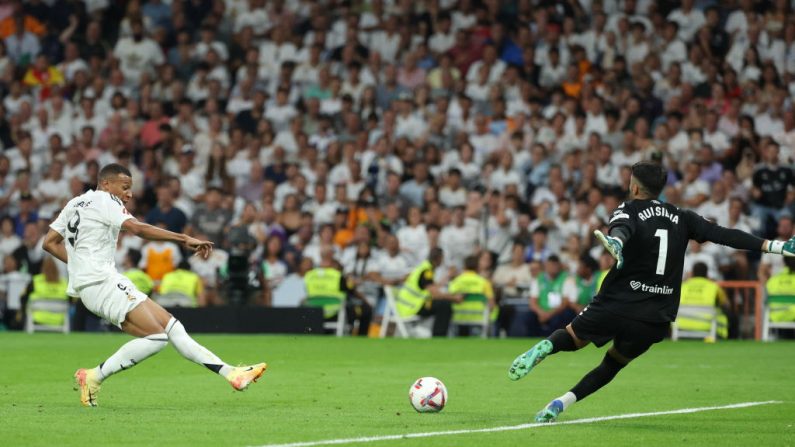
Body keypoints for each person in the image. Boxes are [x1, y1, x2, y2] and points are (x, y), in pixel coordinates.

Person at [507, 161, 795, 422]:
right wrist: (777, 246)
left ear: (634, 186)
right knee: (613, 364)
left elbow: (621, 229)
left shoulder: (628, 208)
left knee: (574, 337)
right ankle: (560, 403)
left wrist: (617, 243)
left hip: (617, 302)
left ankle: (547, 346)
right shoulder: (684, 217)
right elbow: (726, 236)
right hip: (654, 316)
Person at [43, 164, 265, 407]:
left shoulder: (75, 202)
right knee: (157, 338)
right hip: (100, 282)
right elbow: (137, 229)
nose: (129, 194)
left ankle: (232, 373)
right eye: (125, 187)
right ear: (106, 184)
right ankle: (93, 376)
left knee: (171, 326)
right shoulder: (107, 200)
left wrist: (78, 265)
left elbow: (49, 242)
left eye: (131, 189)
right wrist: (183, 238)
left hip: (99, 281)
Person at [303, 246, 372, 336]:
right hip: (335, 311)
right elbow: (351, 289)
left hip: (314, 311)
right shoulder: (336, 275)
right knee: (366, 309)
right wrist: (364, 299)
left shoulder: (309, 275)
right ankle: (358, 336)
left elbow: (308, 292)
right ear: (331, 260)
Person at [396, 247, 463, 337]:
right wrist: (454, 298)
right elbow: (434, 294)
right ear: (439, 258)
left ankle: (438, 335)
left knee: (442, 303)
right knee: (444, 305)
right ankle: (439, 337)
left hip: (409, 305)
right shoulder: (427, 271)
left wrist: (448, 277)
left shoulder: (424, 267)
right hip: (412, 306)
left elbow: (434, 287)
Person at [678, 262, 731, 340]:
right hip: (707, 326)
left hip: (682, 324)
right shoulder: (714, 286)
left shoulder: (682, 286)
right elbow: (727, 305)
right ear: (706, 273)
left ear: (692, 273)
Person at [448, 255, 495, 336]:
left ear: (464, 266)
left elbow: (449, 299)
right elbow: (491, 305)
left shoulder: (455, 281)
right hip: (479, 318)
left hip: (458, 317)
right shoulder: (484, 282)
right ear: (477, 267)